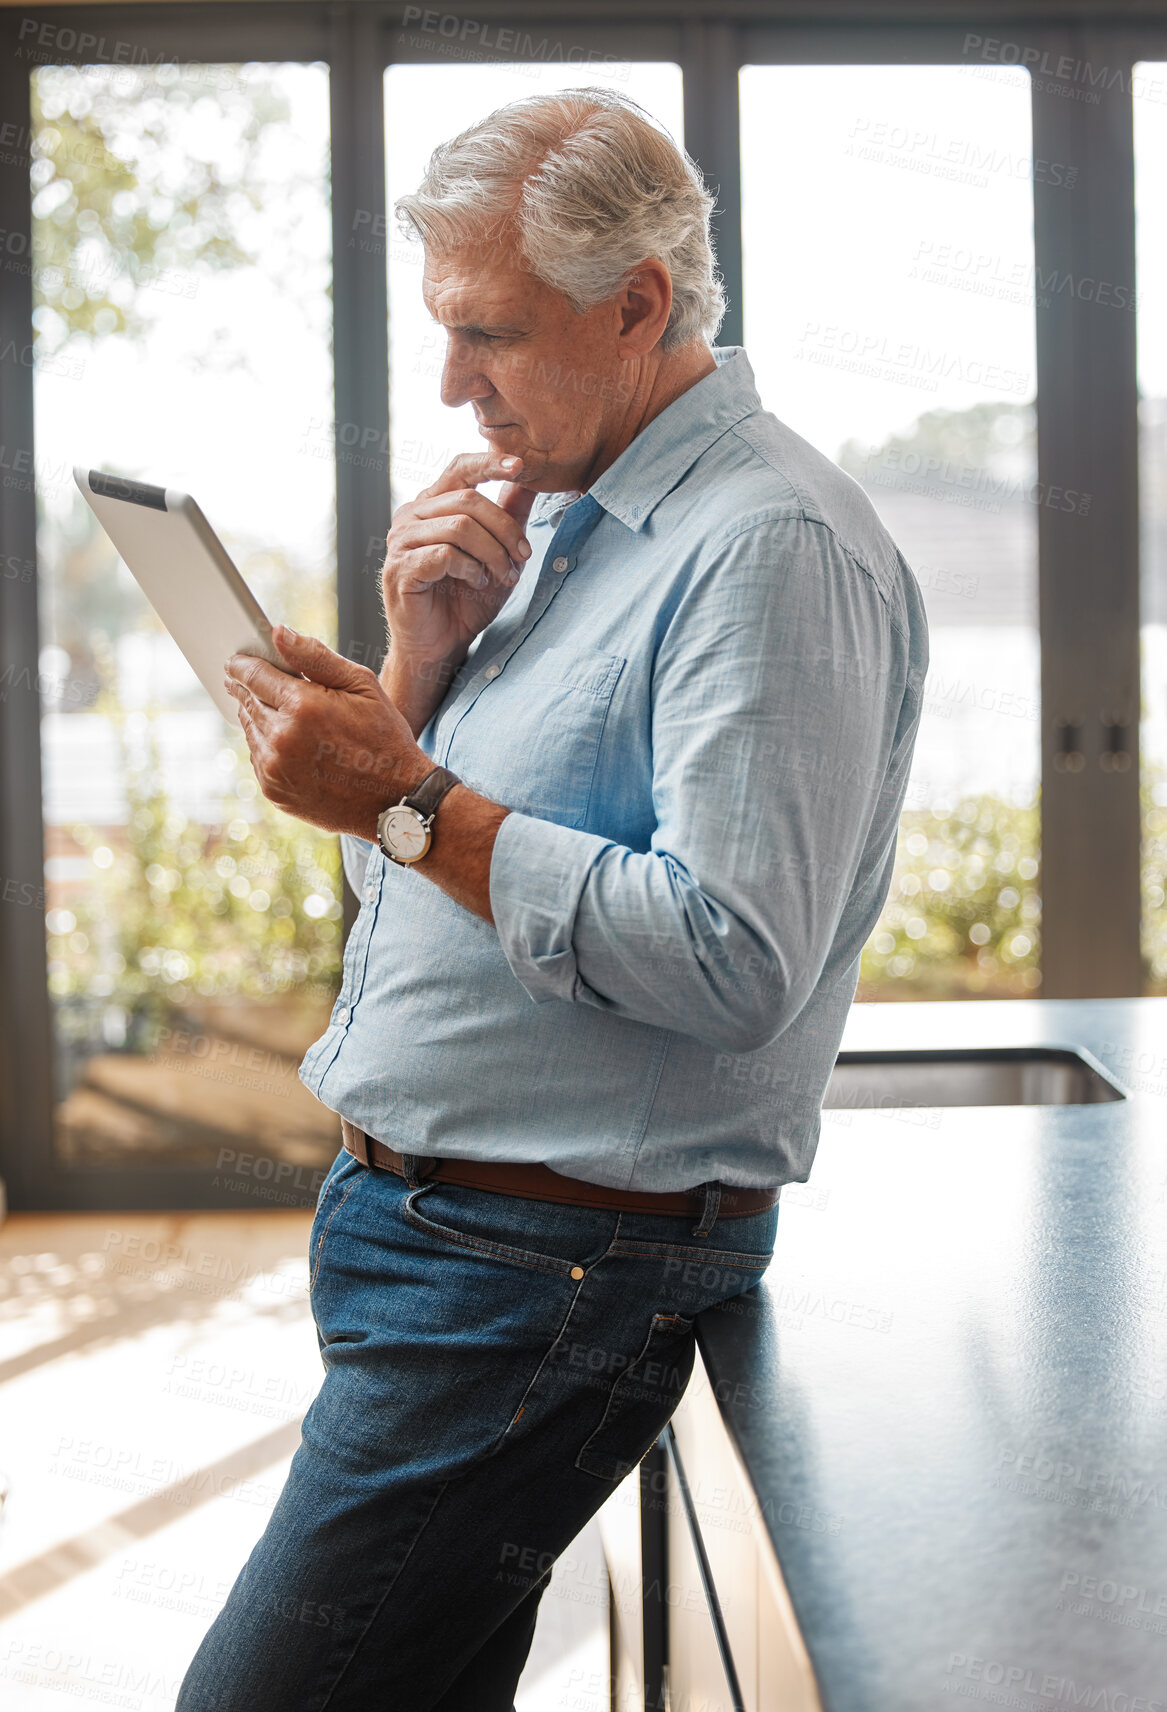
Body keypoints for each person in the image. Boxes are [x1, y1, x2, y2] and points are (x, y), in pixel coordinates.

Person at [177, 86, 928, 1711]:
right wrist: (418, 681)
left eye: (489, 333)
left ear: (640, 300)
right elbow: (472, 854)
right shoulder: (579, 527)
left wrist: (398, 787)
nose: (452, 383)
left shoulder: (768, 547)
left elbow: (732, 958)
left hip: (543, 1273)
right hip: (445, 1243)